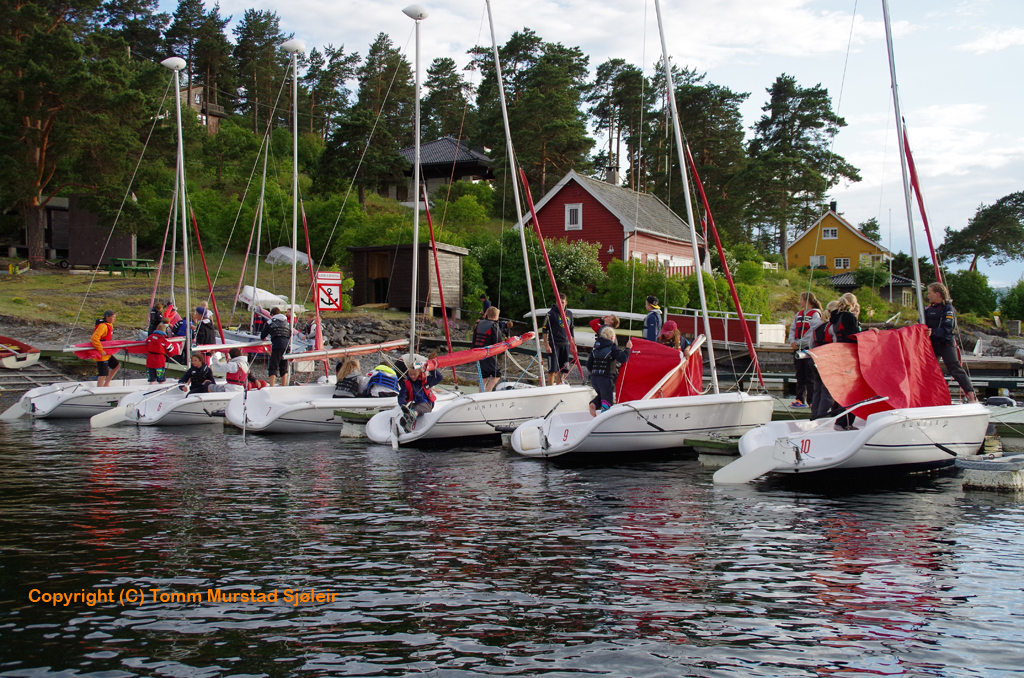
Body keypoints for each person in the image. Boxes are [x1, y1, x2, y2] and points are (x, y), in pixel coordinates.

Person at [924, 282, 977, 403]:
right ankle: (930, 397)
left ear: (938, 294)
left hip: (945, 343)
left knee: (955, 368)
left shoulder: (948, 309)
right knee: (928, 370)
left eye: (929, 293)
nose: (928, 295)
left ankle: (972, 397)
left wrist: (933, 332)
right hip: (932, 344)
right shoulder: (927, 309)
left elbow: (947, 328)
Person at [825, 293, 862, 429]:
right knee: (853, 391)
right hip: (849, 357)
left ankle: (838, 419)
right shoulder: (849, 317)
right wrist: (868, 332)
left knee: (843, 390)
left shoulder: (835, 318)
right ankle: (844, 422)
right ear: (853, 304)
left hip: (839, 356)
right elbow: (853, 336)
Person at [788, 292, 823, 408]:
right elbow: (793, 329)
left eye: (801, 300)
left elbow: (812, 332)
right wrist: (792, 341)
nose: (799, 302)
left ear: (807, 301)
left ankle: (811, 400)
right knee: (800, 375)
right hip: (797, 348)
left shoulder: (815, 314)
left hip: (808, 348)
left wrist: (799, 343)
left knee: (809, 375)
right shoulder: (798, 314)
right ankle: (799, 399)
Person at [587, 327, 632, 416]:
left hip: (594, 378)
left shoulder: (595, 348)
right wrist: (628, 348)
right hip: (605, 378)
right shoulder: (612, 347)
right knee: (607, 401)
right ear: (612, 337)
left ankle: (594, 404)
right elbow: (623, 358)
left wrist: (595, 373)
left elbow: (589, 365)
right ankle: (605, 417)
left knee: (602, 395)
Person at [397, 355, 444, 432]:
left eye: (414, 374)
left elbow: (439, 377)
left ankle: (412, 415)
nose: (412, 376)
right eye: (410, 374)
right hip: (413, 404)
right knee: (409, 408)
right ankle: (407, 423)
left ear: (419, 373)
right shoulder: (406, 383)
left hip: (426, 404)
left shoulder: (426, 381)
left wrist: (428, 367)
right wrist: (403, 404)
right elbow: (401, 396)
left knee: (420, 407)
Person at [809, 300, 838, 420]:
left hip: (815, 359)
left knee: (817, 389)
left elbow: (811, 344)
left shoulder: (816, 327)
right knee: (827, 391)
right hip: (828, 360)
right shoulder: (831, 327)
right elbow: (836, 344)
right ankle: (821, 417)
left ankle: (814, 415)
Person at [473, 306, 510, 392]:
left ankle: (480, 394)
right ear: (495, 316)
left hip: (478, 352)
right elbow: (498, 341)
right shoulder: (494, 325)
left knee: (484, 375)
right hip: (488, 352)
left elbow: (474, 339)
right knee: (497, 374)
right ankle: (486, 393)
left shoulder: (479, 323)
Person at [544, 292, 574, 385]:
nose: (561, 304)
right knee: (552, 369)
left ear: (566, 302)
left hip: (565, 344)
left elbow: (571, 330)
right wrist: (546, 345)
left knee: (563, 369)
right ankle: (550, 388)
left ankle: (559, 386)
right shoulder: (550, 314)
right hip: (554, 344)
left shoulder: (569, 314)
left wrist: (573, 344)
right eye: (559, 302)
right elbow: (544, 330)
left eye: (562, 302)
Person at [260, 307, 292, 387]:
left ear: (272, 314)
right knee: (283, 366)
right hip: (286, 346)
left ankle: (272, 386)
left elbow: (263, 335)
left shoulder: (270, 321)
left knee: (273, 366)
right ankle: (284, 385)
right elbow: (290, 333)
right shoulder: (286, 322)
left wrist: (264, 338)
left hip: (277, 345)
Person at [91, 310, 120, 387]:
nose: (114, 319)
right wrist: (101, 350)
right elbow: (94, 338)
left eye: (114, 317)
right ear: (107, 317)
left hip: (107, 352)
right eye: (113, 317)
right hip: (102, 353)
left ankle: (106, 384)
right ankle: (99, 389)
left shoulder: (109, 325)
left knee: (116, 365)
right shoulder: (103, 326)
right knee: (103, 374)